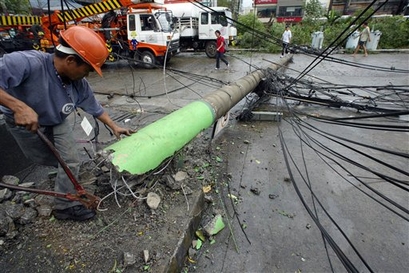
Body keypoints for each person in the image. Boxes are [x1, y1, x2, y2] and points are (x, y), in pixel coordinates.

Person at [0, 26, 135, 221]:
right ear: (71, 61)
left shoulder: (79, 84)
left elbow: (94, 107)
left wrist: (114, 126)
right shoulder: (27, 63)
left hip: (57, 120)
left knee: (70, 160)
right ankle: (63, 176)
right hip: (25, 123)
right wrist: (18, 106)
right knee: (47, 159)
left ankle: (65, 207)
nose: (87, 75)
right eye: (87, 69)